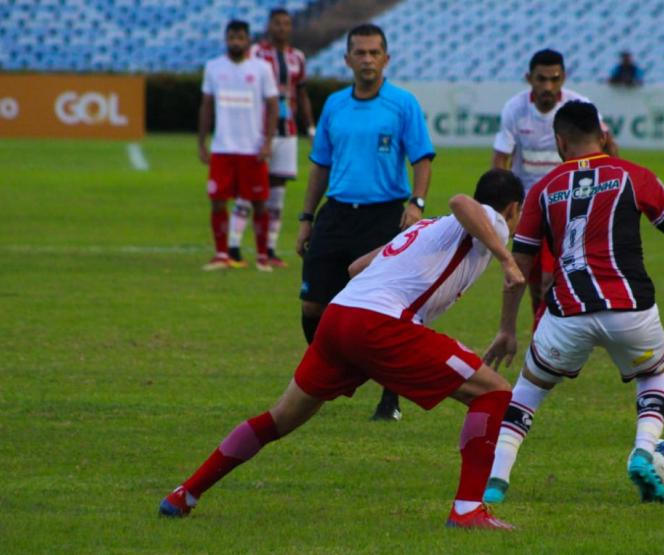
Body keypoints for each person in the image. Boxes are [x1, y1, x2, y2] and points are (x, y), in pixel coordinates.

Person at [159, 169, 526, 530]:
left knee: (279, 418)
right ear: (512, 208)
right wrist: (506, 260)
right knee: (493, 391)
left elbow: (356, 267)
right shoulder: (492, 221)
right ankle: (468, 510)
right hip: (381, 324)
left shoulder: (425, 227)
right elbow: (461, 201)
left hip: (339, 317)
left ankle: (184, 494)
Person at [481, 101, 664, 505]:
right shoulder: (633, 175)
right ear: (604, 135)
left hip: (568, 312)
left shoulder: (542, 189)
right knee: (654, 374)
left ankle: (496, 482)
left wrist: (507, 329)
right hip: (630, 310)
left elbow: (519, 267)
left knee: (529, 390)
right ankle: (643, 449)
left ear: (560, 142)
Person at [296, 24, 435, 421]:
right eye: (360, 53)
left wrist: (417, 203)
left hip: (384, 214)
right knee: (312, 305)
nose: (368, 60)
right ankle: (335, 376)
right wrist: (306, 218)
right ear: (347, 59)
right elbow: (320, 165)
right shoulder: (335, 106)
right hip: (337, 212)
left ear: (386, 59)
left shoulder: (402, 104)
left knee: (385, 310)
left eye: (375, 53)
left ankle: (390, 400)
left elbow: (421, 157)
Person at [493, 49, 618, 326]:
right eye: (541, 79)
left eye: (554, 79)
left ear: (564, 78)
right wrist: (499, 207)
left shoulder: (579, 105)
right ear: (529, 78)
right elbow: (500, 160)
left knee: (555, 277)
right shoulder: (515, 109)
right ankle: (546, 335)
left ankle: (560, 337)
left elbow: (608, 145)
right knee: (534, 282)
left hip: (571, 204)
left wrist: (611, 188)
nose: (548, 86)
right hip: (530, 208)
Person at [226, 8, 316, 269]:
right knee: (248, 190)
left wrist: (309, 126)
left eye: (286, 23)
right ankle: (233, 246)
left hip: (287, 133)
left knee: (277, 192)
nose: (282, 28)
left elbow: (302, 94)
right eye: (277, 23)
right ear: (269, 26)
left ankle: (269, 248)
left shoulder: (297, 57)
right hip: (257, 133)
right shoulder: (255, 53)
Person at [199, 20, 279, 272]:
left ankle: (263, 256)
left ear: (248, 40)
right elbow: (206, 105)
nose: (236, 41)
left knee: (259, 202)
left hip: (251, 148)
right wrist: (202, 142)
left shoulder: (262, 68)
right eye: (232, 37)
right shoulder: (213, 67)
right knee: (217, 200)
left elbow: (273, 105)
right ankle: (222, 254)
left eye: (240, 37)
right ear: (226, 39)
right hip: (222, 147)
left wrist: (268, 141)